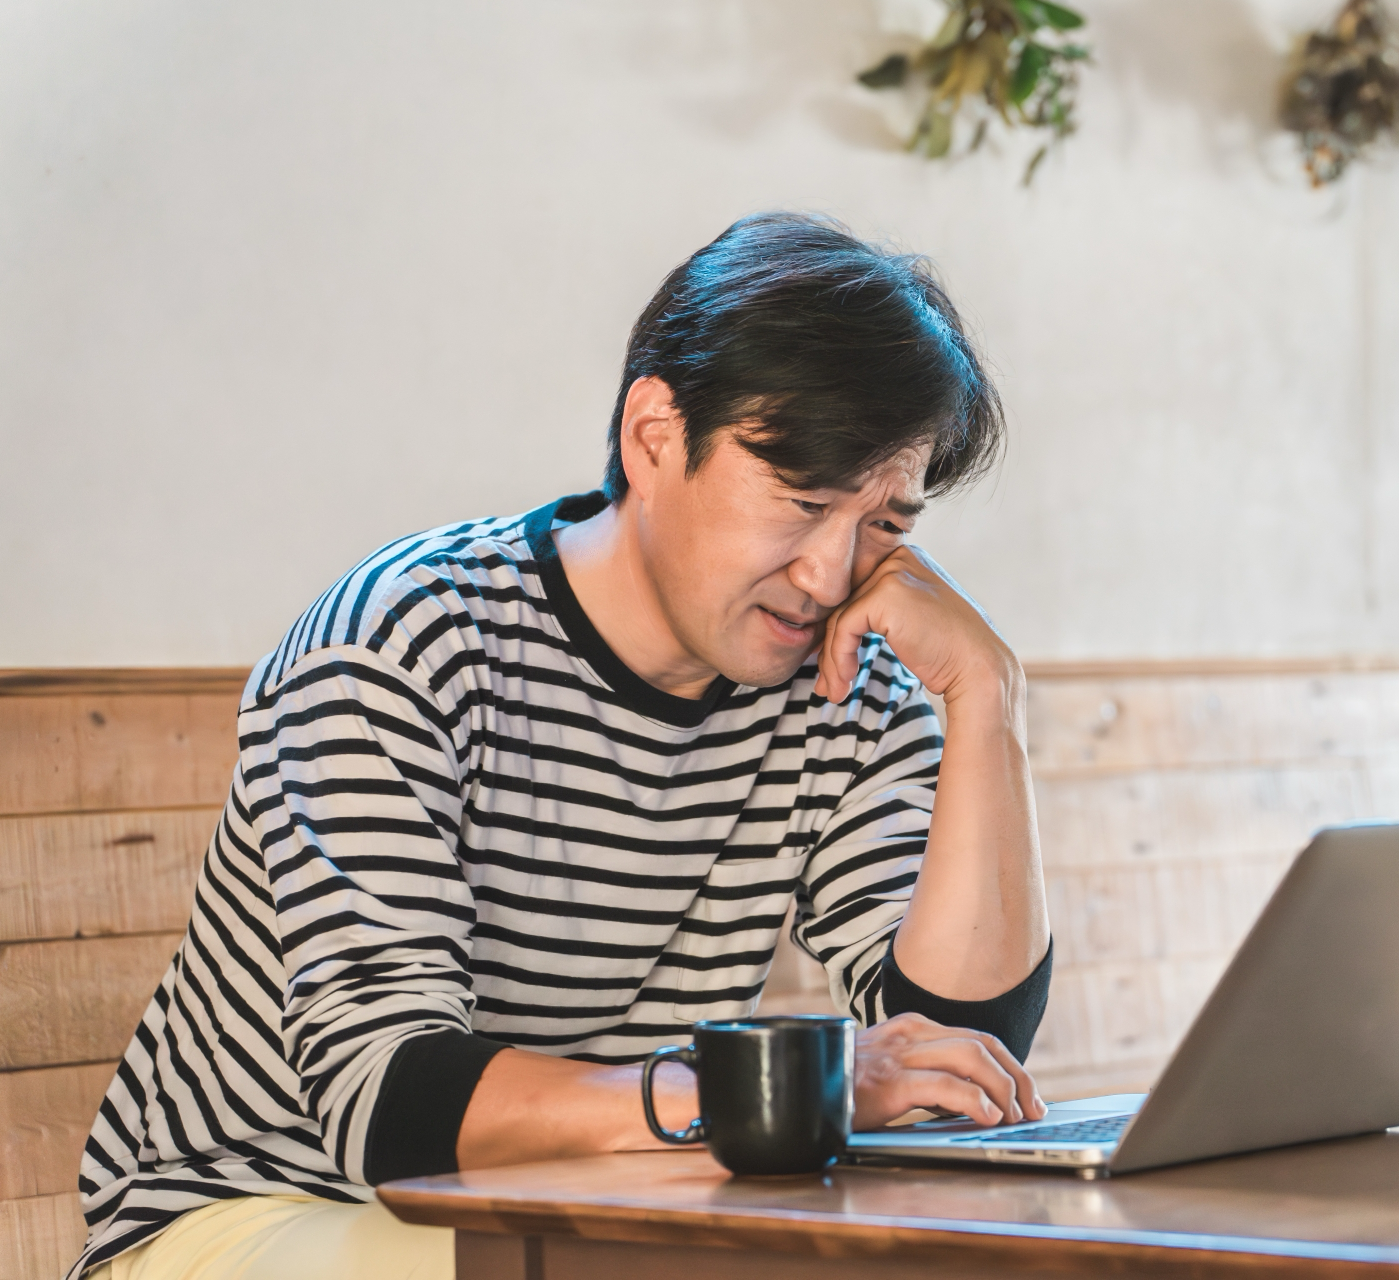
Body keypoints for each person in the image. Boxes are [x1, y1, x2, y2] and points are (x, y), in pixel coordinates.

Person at [74, 212, 1052, 1279]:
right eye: (803, 500)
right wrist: (776, 1095)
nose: (830, 572)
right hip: (251, 1211)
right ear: (653, 434)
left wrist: (986, 700)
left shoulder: (843, 674)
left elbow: (955, 1056)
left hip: (615, 1194)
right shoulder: (403, 639)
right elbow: (387, 1103)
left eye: (887, 524)